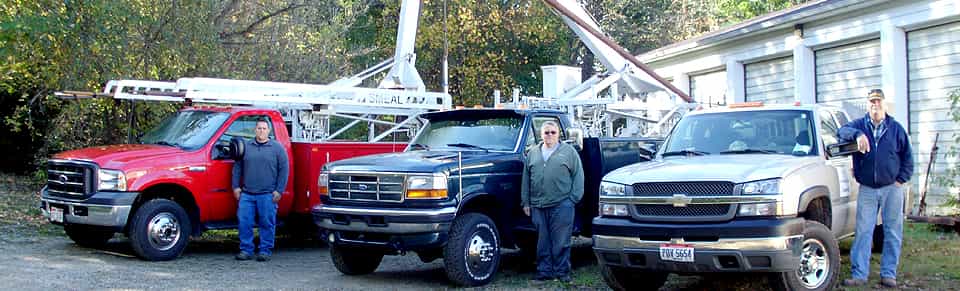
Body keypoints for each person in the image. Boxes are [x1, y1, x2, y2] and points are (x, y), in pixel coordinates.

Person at [839, 89, 913, 288]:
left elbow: (908, 157)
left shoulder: (896, 128)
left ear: (884, 103)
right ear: (868, 104)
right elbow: (841, 132)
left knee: (892, 232)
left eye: (878, 101)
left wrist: (901, 180)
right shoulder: (859, 125)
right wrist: (858, 134)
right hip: (868, 190)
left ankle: (888, 274)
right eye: (872, 102)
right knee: (863, 231)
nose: (875, 105)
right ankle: (859, 275)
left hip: (892, 188)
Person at [520, 121, 584, 283]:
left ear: (558, 134)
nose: (549, 135)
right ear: (541, 135)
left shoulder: (569, 152)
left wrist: (572, 199)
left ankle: (562, 273)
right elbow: (526, 179)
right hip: (538, 205)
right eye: (546, 132)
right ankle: (544, 272)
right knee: (542, 241)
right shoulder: (533, 153)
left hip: (562, 204)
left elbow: (578, 176)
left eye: (552, 132)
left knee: (561, 241)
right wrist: (526, 202)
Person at [232, 119, 289, 262]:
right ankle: (246, 250)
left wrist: (279, 190)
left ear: (269, 131)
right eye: (259, 128)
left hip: (267, 194)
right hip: (247, 194)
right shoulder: (246, 146)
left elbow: (284, 170)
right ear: (254, 130)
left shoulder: (277, 148)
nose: (261, 131)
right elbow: (237, 168)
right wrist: (236, 187)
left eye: (264, 128)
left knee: (267, 223)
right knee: (244, 222)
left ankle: (265, 251)